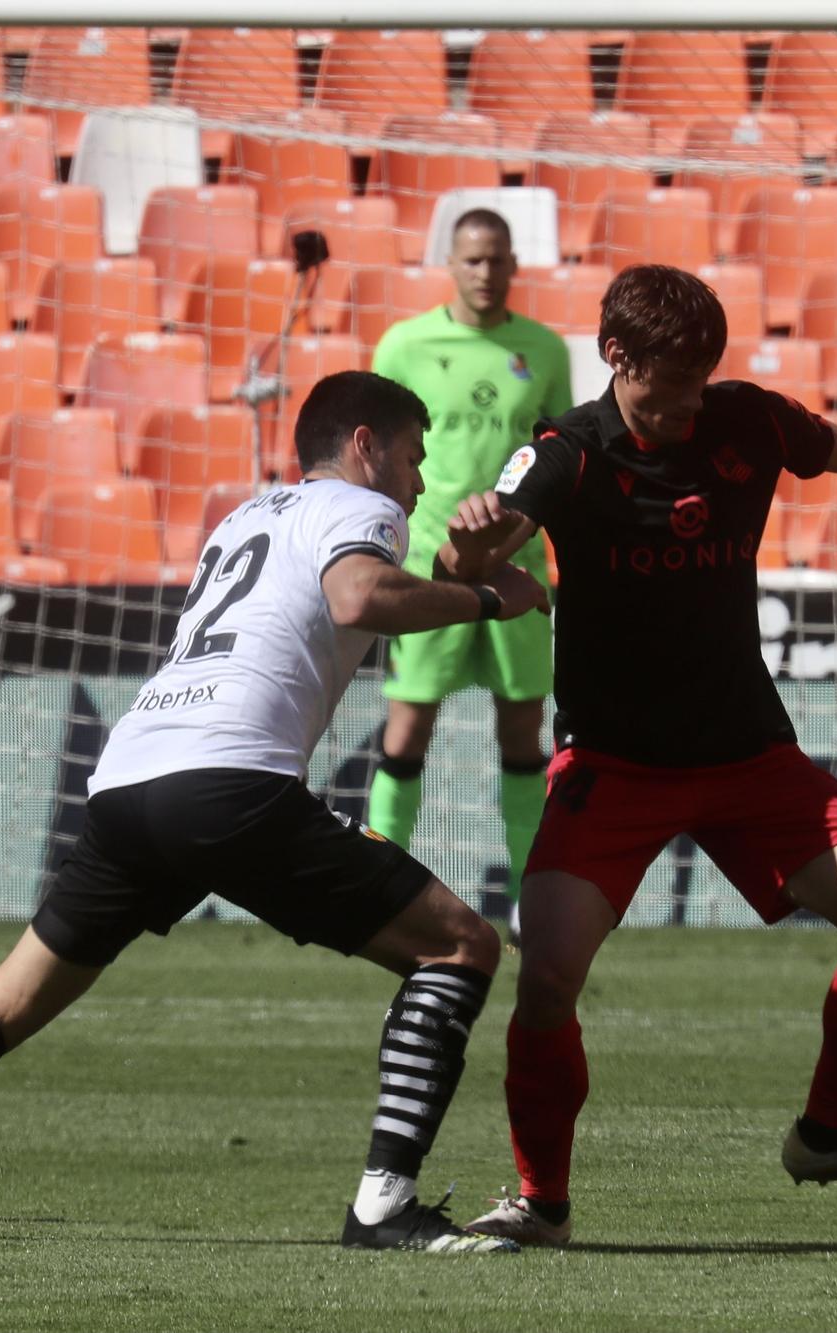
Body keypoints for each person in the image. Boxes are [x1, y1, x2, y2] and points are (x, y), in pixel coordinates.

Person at [0, 371, 549, 1255]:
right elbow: (358, 596)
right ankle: (383, 1207)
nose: (420, 479)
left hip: (130, 780)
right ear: (363, 445)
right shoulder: (358, 509)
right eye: (412, 456)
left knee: (4, 1002)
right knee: (460, 945)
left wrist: (470, 563)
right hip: (230, 781)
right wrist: (487, 599)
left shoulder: (243, 520)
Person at [429, 264, 837, 1247]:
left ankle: (830, 1132)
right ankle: (540, 1203)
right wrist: (466, 547)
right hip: (613, 766)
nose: (685, 410)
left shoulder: (744, 422)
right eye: (670, 391)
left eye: (700, 384)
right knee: (544, 977)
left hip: (748, 755)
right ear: (615, 357)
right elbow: (467, 559)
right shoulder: (564, 456)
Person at [367, 209, 573, 921]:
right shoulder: (405, 345)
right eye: (473, 260)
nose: (486, 273)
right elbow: (372, 459)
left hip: (519, 567)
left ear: (514, 264)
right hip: (429, 565)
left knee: (522, 732)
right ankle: (377, 888)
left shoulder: (543, 349)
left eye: (497, 260)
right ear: (450, 264)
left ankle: (528, 897)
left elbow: (561, 456)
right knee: (406, 728)